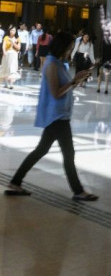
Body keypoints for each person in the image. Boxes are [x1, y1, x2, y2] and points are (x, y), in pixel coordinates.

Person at [4, 32, 98, 201]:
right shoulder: (52, 64)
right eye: (69, 48)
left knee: (41, 150)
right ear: (62, 47)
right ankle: (78, 191)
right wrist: (74, 80)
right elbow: (56, 93)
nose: (70, 51)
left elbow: (65, 89)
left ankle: (15, 183)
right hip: (56, 116)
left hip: (59, 115)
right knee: (68, 154)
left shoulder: (61, 63)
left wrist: (77, 80)